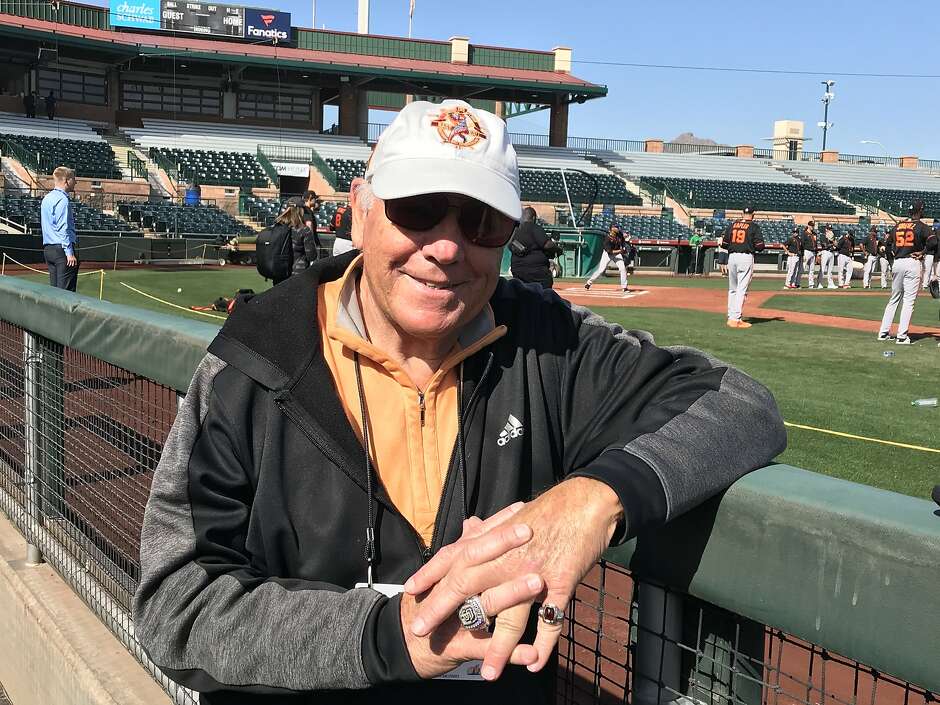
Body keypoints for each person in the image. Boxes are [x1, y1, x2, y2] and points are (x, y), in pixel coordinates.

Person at [133, 99, 786, 705]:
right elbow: (175, 604)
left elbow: (739, 402)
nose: (447, 246)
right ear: (360, 210)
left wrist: (594, 497)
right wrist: (390, 635)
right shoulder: (254, 358)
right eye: (417, 208)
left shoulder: (548, 342)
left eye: (480, 221)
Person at [878, 199, 929, 344]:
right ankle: (901, 336)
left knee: (894, 299)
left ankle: (883, 332)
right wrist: (923, 251)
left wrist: (891, 261)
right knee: (908, 301)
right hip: (912, 262)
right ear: (920, 210)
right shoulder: (922, 226)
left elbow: (887, 245)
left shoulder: (898, 226)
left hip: (898, 262)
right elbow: (932, 242)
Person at [721, 205, 764, 328]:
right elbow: (760, 246)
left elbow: (724, 244)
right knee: (742, 289)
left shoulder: (733, 225)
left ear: (742, 213)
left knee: (732, 288)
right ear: (753, 214)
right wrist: (749, 244)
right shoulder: (754, 227)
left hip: (732, 257)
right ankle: (736, 319)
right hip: (745, 257)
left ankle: (731, 316)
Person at [40, 166, 78, 291]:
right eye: (73, 179)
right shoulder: (63, 200)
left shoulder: (47, 198)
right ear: (66, 180)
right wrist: (69, 253)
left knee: (54, 294)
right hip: (62, 250)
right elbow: (63, 228)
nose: (75, 182)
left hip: (48, 249)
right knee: (66, 294)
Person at [509, 206, 559, 290]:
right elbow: (546, 245)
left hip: (517, 270)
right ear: (534, 217)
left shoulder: (515, 229)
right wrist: (555, 246)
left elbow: (510, 244)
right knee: (545, 291)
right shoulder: (534, 227)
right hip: (536, 272)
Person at [584, 224, 629, 293]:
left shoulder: (619, 234)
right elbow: (610, 252)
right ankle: (589, 282)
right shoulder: (607, 239)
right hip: (608, 254)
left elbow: (622, 240)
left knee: (622, 269)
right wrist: (621, 251)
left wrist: (623, 247)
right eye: (616, 227)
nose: (617, 228)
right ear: (612, 229)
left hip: (617, 253)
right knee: (601, 270)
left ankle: (624, 287)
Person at [275, 203, 317, 276]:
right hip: (298, 274)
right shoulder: (304, 230)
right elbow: (311, 256)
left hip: (280, 273)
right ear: (300, 211)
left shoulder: (277, 228)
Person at [800, 221, 818, 289]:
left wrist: (816, 254)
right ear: (808, 225)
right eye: (811, 225)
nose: (812, 227)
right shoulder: (804, 233)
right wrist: (803, 253)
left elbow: (815, 244)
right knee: (802, 268)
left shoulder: (814, 234)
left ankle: (811, 284)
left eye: (813, 225)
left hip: (813, 252)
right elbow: (802, 244)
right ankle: (797, 283)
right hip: (806, 251)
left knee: (812, 269)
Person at [819, 224, 837, 289]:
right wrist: (832, 242)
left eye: (830, 229)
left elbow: (836, 245)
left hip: (831, 253)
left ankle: (830, 284)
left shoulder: (832, 236)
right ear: (826, 229)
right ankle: (819, 283)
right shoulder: (823, 236)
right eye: (829, 229)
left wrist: (834, 242)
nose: (830, 230)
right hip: (825, 252)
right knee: (822, 269)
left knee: (830, 270)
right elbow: (825, 246)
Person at [921, 222, 938, 290]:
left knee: (933, 271)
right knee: (928, 270)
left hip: (934, 256)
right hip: (929, 255)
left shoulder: (934, 238)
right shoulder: (929, 239)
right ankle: (925, 284)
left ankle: (929, 283)